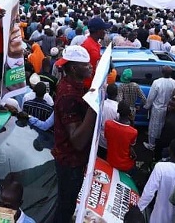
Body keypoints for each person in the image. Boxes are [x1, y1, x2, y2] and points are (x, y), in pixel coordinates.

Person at [52, 46, 96, 223]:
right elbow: (77, 141)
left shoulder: (72, 85)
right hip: (70, 162)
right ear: (73, 68)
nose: (90, 67)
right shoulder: (68, 95)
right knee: (66, 205)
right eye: (86, 65)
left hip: (72, 160)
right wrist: (94, 107)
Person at [138, 139, 175, 223]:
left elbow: (149, 192)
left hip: (158, 216)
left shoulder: (160, 167)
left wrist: (139, 208)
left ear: (170, 151)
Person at [143, 66, 175, 150]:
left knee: (154, 127)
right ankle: (161, 143)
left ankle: (151, 145)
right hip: (169, 108)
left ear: (162, 73)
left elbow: (151, 97)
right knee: (164, 127)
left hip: (157, 109)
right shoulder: (174, 83)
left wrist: (147, 106)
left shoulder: (157, 82)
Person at [104, 101, 138, 173]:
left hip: (110, 161)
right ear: (129, 113)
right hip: (125, 165)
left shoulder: (108, 124)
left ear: (117, 111)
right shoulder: (133, 132)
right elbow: (130, 146)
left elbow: (106, 137)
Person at [81, 17, 112, 89]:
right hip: (89, 87)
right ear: (98, 31)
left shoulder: (94, 43)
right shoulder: (90, 47)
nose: (105, 32)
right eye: (104, 30)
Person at [99, 83, 119, 150]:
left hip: (99, 139)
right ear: (116, 94)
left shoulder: (101, 104)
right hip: (111, 140)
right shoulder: (117, 108)